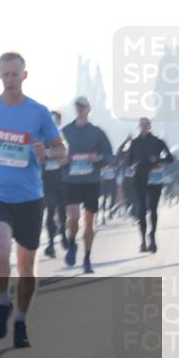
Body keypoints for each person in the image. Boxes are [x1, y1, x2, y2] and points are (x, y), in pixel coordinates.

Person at [0, 52, 65, 349]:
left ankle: (21, 319)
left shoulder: (38, 112)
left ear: (24, 75)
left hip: (29, 198)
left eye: (15, 74)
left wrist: (46, 154)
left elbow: (61, 150)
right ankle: (2, 301)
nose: (10, 79)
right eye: (5, 74)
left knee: (26, 266)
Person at [60, 97, 113, 274]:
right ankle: (72, 242)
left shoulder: (97, 132)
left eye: (83, 107)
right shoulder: (65, 131)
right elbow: (54, 153)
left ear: (89, 109)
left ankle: (87, 258)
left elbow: (109, 155)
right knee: (74, 216)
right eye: (77, 107)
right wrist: (62, 159)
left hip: (91, 181)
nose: (80, 109)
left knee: (90, 222)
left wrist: (99, 158)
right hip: (72, 180)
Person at [126, 118, 175, 253]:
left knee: (153, 208)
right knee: (141, 209)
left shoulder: (158, 142)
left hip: (154, 177)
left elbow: (170, 158)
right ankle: (142, 240)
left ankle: (152, 237)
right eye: (141, 125)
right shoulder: (134, 143)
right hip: (139, 177)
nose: (143, 127)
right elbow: (128, 160)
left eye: (145, 125)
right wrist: (133, 164)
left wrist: (158, 159)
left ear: (149, 126)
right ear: (139, 126)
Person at [41, 110, 67, 258]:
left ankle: (63, 232)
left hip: (62, 178)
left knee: (62, 211)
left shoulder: (62, 137)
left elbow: (66, 156)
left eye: (55, 120)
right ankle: (51, 244)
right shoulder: (41, 137)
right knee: (50, 211)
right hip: (47, 179)